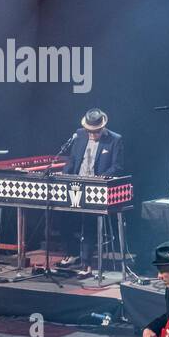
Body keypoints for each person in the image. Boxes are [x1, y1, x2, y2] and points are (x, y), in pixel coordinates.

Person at [60, 108, 124, 266]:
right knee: (62, 216)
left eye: (95, 131)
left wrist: (101, 178)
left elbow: (117, 166)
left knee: (88, 220)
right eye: (89, 131)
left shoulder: (115, 139)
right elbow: (73, 160)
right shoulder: (80, 135)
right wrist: (64, 174)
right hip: (76, 185)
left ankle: (86, 262)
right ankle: (72, 253)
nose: (92, 134)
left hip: (97, 188)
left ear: (102, 128)